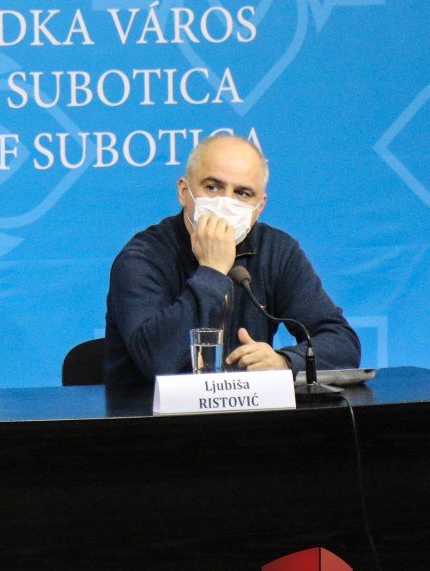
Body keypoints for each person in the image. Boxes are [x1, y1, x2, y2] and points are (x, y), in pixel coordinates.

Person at [104, 134, 360, 385]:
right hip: (151, 411)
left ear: (259, 207)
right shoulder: (141, 258)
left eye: (243, 193)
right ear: (184, 191)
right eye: (212, 187)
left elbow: (342, 343)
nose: (225, 202)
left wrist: (285, 362)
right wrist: (213, 271)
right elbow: (158, 362)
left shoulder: (276, 251)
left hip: (248, 409)